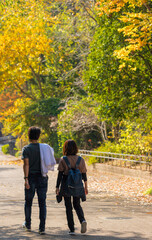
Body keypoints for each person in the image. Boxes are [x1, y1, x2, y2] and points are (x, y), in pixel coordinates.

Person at [22, 126, 56, 235]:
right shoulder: (45, 148)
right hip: (42, 177)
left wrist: (26, 179)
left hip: (31, 177)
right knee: (42, 203)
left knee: (28, 202)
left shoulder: (26, 149)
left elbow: (26, 164)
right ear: (38, 136)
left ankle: (28, 224)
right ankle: (42, 228)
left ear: (29, 135)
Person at [56, 139, 88, 235]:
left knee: (68, 206)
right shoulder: (81, 160)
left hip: (66, 185)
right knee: (77, 204)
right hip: (77, 185)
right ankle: (82, 220)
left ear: (65, 148)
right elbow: (84, 175)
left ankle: (72, 229)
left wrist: (57, 187)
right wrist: (86, 187)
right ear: (75, 148)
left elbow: (60, 175)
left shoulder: (63, 159)